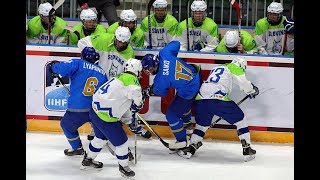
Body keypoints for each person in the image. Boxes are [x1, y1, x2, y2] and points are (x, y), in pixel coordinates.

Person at [177, 57, 259, 162]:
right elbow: (243, 82)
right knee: (240, 120)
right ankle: (247, 149)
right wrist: (251, 90)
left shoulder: (218, 67)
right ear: (241, 65)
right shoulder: (234, 67)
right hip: (218, 98)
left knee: (202, 125)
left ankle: (191, 148)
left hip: (201, 98)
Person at [78, 26, 152, 139]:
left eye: (124, 42)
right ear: (115, 37)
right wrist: (88, 49)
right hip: (98, 79)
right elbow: (82, 42)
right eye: (119, 41)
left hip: (114, 83)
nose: (121, 44)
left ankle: (131, 123)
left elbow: (128, 72)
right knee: (96, 105)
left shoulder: (129, 52)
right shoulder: (103, 39)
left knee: (122, 104)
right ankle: (97, 128)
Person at [81, 58, 144, 178]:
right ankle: (123, 167)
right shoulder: (133, 82)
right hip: (106, 118)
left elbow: (121, 100)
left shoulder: (118, 76)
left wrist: (130, 118)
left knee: (100, 138)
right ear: (137, 71)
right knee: (122, 142)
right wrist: (139, 103)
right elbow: (136, 99)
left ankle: (88, 159)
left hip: (94, 111)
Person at [47, 47, 108, 156]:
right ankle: (124, 152)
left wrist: (53, 66)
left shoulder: (78, 63)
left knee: (66, 125)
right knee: (106, 132)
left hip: (78, 108)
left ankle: (77, 148)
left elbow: (61, 68)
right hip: (95, 110)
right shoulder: (102, 72)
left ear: (82, 56)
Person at [141, 40, 201, 147]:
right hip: (196, 74)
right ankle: (187, 125)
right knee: (179, 101)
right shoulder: (164, 53)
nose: (149, 72)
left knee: (171, 114)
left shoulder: (160, 81)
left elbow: (162, 92)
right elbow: (177, 43)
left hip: (190, 89)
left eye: (150, 69)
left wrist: (148, 91)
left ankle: (182, 141)